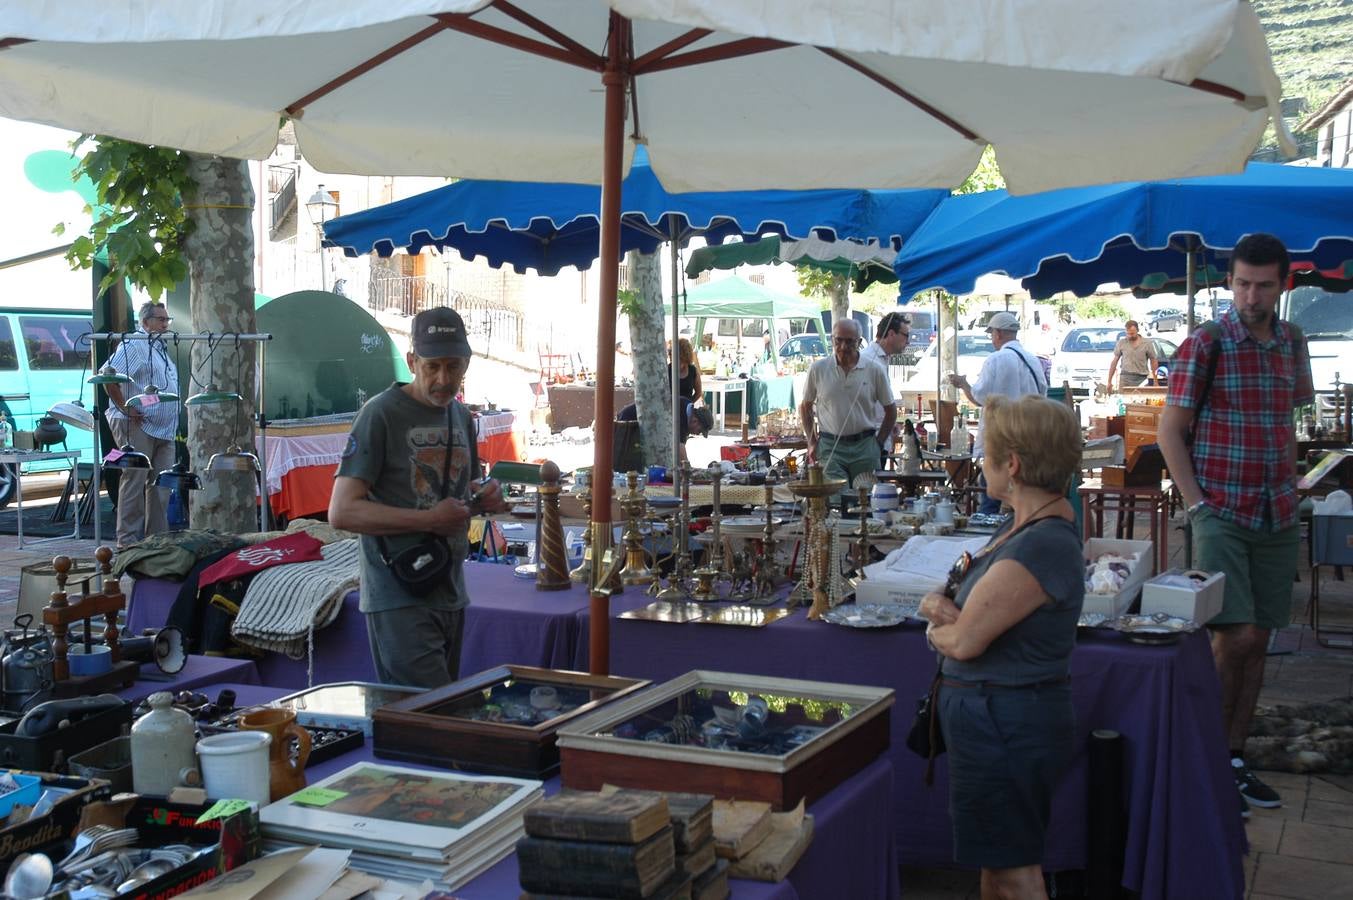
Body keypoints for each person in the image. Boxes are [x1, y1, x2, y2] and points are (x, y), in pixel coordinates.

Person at [1156, 233, 1312, 818]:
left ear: (1282, 284)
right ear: (1230, 282)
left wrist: (1295, 483)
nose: (1251, 295)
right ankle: (1204, 758)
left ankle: (1235, 755)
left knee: (1261, 640)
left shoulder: (1292, 342)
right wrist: (1196, 505)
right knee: (1234, 636)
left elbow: (1288, 419)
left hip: (1276, 510)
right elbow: (1170, 432)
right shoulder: (1207, 343)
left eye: (1263, 284)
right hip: (1220, 510)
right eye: (1242, 283)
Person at [918, 394, 1084, 900]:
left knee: (1013, 873)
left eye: (986, 451)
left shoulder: (1040, 542)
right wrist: (948, 618)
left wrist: (938, 629)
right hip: (999, 720)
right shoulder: (1029, 529)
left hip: (1004, 725)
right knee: (999, 867)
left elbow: (964, 639)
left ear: (1011, 465)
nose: (980, 460)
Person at [329, 307, 509, 688]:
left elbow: (467, 487)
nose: (444, 379)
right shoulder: (380, 414)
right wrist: (429, 521)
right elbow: (341, 512)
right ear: (412, 361)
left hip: (450, 590)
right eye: (433, 367)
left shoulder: (460, 415)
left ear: (466, 364)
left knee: (442, 711)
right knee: (430, 718)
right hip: (398, 594)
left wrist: (486, 496)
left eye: (454, 367)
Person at [947, 311, 1047, 514]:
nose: (992, 337)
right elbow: (1042, 394)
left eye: (992, 333)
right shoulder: (1033, 360)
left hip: (1001, 441)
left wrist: (963, 384)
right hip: (1028, 439)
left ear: (999, 333)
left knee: (991, 497)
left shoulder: (996, 359)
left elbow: (980, 397)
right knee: (1021, 496)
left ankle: (989, 538)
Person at [103, 301, 179, 548]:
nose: (165, 324)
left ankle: (157, 540)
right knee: (134, 481)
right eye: (160, 319)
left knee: (161, 485)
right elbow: (109, 377)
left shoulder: (159, 347)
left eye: (167, 320)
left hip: (164, 426)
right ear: (145, 322)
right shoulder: (134, 344)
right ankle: (127, 542)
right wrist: (126, 406)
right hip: (137, 425)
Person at [798, 318, 896, 488]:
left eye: (850, 341)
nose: (843, 346)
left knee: (865, 502)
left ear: (859, 342)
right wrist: (812, 442)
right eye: (839, 340)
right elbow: (805, 407)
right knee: (835, 501)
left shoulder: (874, 369)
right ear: (832, 340)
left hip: (865, 446)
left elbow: (891, 410)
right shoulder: (818, 369)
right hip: (830, 447)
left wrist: (878, 443)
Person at [861, 312, 911, 465]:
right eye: (906, 335)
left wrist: (889, 424)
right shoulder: (870, 360)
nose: (908, 342)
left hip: (878, 437)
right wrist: (879, 441)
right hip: (870, 440)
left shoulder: (881, 358)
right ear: (891, 334)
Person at [617, 398, 712, 466]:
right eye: (699, 431)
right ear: (695, 421)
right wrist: (689, 470)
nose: (697, 433)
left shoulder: (687, 408)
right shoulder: (680, 415)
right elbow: (680, 447)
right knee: (628, 460)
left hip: (640, 424)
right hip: (630, 421)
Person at [1105, 320, 1159, 390]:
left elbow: (1153, 361)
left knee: (1141, 400)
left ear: (1138, 330)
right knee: (1124, 400)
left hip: (1142, 378)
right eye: (1128, 334)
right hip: (1125, 378)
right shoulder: (1121, 343)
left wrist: (1155, 380)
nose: (1130, 336)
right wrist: (1109, 381)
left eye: (1132, 333)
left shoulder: (1147, 343)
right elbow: (1114, 362)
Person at [671, 337, 702, 403]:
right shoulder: (668, 370)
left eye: (682, 360)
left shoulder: (692, 370)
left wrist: (688, 404)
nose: (680, 363)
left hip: (686, 410)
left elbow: (698, 392)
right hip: (670, 409)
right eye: (678, 359)